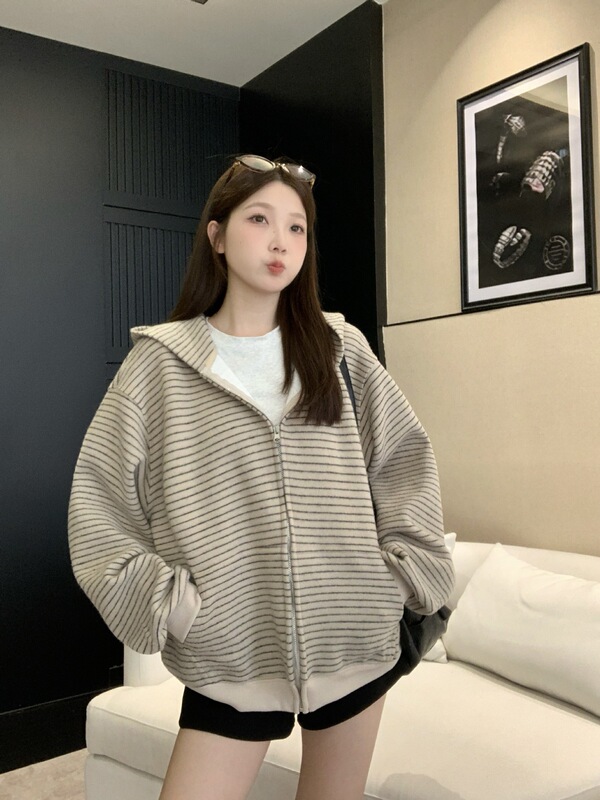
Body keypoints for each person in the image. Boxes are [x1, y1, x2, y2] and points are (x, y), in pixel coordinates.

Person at [68, 154, 455, 800]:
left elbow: (404, 462)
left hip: (353, 644)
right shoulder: (159, 367)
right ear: (216, 235)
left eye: (297, 227)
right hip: (230, 656)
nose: (281, 241)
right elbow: (99, 504)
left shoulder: (340, 350)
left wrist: (396, 578)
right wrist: (175, 606)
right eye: (259, 219)